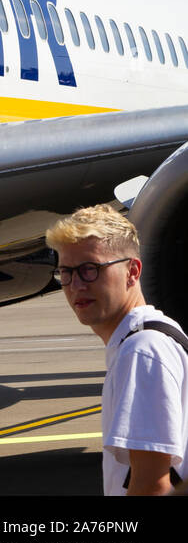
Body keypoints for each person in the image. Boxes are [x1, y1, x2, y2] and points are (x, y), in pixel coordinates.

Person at [46, 205, 187, 495]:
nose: (75, 286)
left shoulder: (142, 350)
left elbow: (153, 486)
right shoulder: (150, 337)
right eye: (66, 273)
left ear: (132, 272)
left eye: (89, 270)